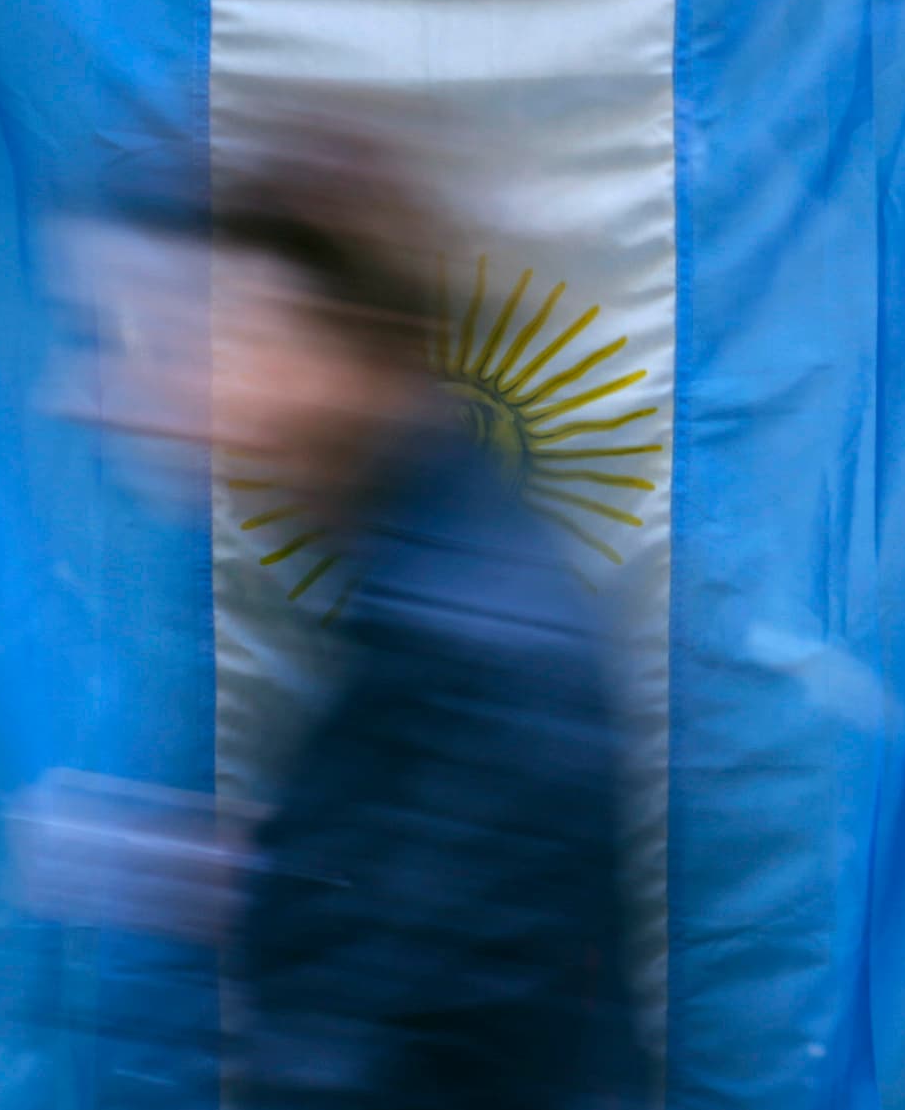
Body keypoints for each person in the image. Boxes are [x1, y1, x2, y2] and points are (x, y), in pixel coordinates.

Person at [40, 117, 646, 1109]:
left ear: (310, 345)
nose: (93, 391)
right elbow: (430, 914)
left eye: (154, 334)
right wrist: (216, 866)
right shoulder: (431, 560)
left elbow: (366, 1044)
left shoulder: (453, 642)